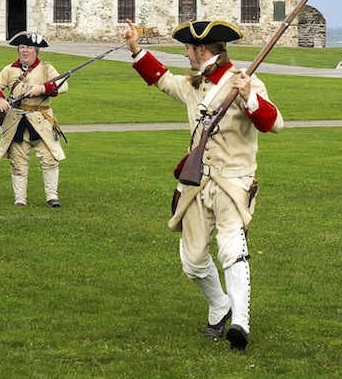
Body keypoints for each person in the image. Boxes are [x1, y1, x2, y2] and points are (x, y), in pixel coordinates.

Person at [122, 19, 284, 351]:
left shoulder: (244, 83)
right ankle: (220, 305)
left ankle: (240, 321)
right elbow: (162, 79)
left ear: (201, 49)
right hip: (197, 182)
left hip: (233, 181)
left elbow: (275, 124)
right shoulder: (194, 85)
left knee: (231, 250)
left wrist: (249, 97)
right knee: (193, 261)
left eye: (188, 49)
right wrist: (136, 49)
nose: (185, 54)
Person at [0, 31, 68, 208]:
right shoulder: (9, 69)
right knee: (18, 163)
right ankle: (20, 199)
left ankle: (52, 197)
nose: (25, 51)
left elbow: (63, 85)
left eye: (29, 47)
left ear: (36, 51)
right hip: (15, 121)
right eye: (22, 47)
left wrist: (42, 88)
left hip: (41, 120)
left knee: (49, 160)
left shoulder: (46, 68)